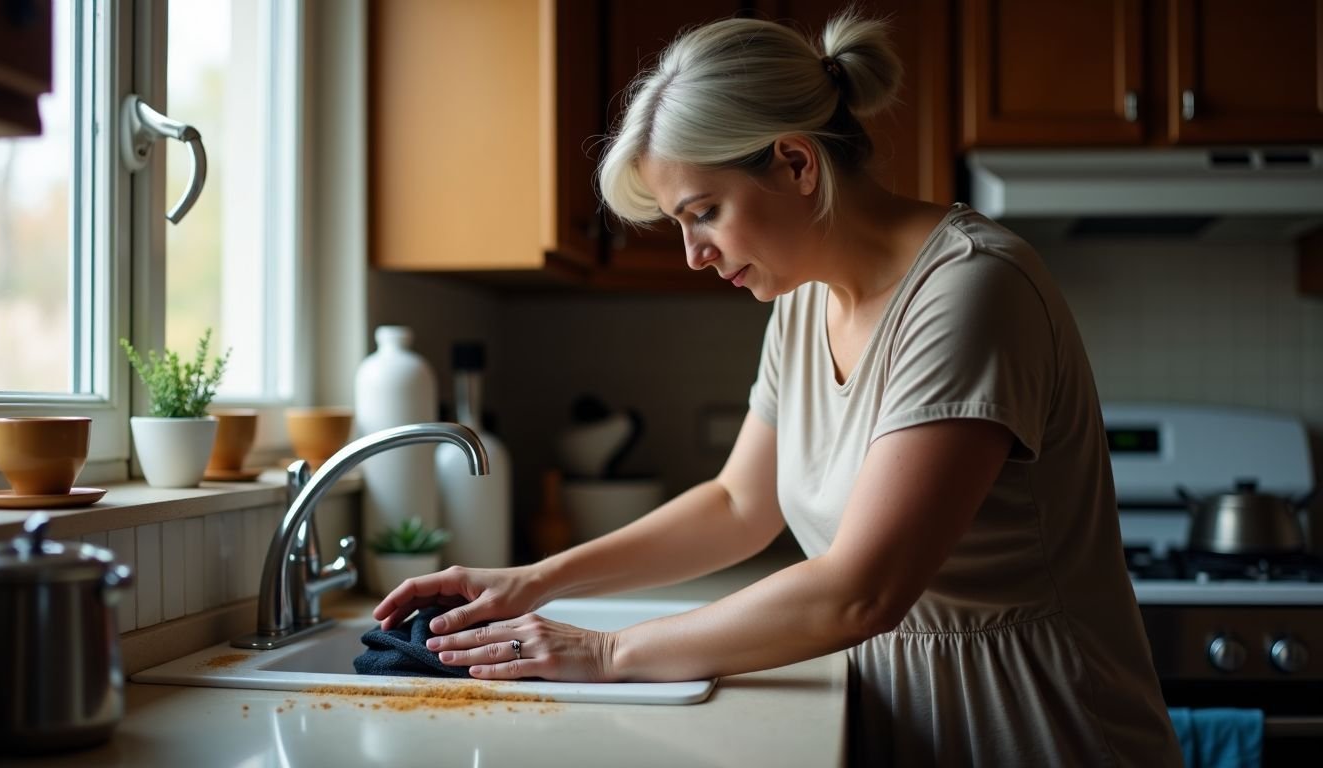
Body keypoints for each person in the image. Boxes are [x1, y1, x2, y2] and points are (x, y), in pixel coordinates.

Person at [374, 11, 1182, 765]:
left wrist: (607, 652)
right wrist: (533, 580)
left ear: (796, 162)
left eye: (704, 213)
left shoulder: (971, 291)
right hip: (906, 715)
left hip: (1034, 726)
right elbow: (737, 506)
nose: (693, 253)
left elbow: (861, 591)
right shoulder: (803, 301)